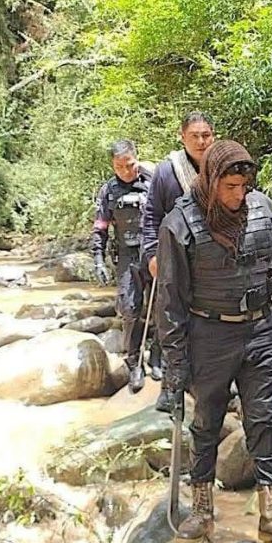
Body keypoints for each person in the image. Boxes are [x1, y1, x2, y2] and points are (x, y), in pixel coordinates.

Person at [155, 140, 272, 543]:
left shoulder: (262, 209)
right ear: (211, 181)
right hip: (208, 335)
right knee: (206, 423)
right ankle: (202, 510)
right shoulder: (180, 223)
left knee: (263, 421)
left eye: (244, 186)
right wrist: (175, 364)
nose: (239, 195)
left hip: (261, 330)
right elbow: (169, 301)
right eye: (230, 187)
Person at [91, 139, 160, 392]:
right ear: (112, 165)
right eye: (119, 167)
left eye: (129, 165)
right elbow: (100, 227)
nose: (126, 171)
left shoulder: (154, 182)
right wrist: (98, 260)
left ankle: (157, 356)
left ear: (136, 159)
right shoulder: (108, 191)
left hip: (154, 254)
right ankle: (134, 362)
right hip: (127, 257)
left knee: (161, 307)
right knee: (130, 310)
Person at [142, 111, 216, 279]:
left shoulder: (223, 168)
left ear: (213, 136)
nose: (201, 142)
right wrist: (152, 255)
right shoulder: (166, 172)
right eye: (194, 136)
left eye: (206, 135)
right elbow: (152, 216)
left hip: (217, 256)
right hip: (177, 255)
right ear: (183, 137)